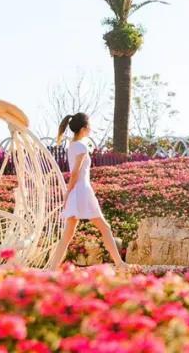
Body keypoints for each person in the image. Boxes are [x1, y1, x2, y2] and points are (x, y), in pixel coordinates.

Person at [44, 112, 128, 271]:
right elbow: (75, 173)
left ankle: (52, 269)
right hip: (82, 191)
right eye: (89, 126)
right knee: (105, 227)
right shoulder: (81, 146)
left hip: (77, 192)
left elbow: (74, 173)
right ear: (83, 128)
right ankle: (119, 263)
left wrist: (69, 193)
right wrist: (68, 193)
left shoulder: (72, 146)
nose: (90, 128)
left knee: (68, 234)